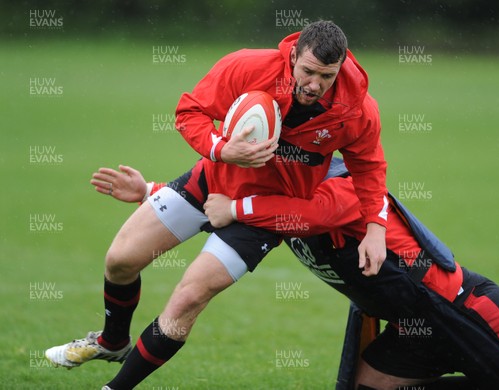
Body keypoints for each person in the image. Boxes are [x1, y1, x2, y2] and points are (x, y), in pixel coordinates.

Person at [45, 21, 390, 390]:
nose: (314, 84)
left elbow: (368, 167)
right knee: (120, 259)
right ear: (292, 56)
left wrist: (375, 228)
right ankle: (112, 342)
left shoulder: (357, 109)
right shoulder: (248, 66)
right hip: (212, 180)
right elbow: (189, 112)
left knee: (188, 299)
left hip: (261, 214)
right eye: (307, 71)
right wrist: (221, 150)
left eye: (327, 76)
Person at [88, 159, 499, 390]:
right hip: (410, 327)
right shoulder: (278, 202)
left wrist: (238, 204)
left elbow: (299, 215)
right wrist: (158, 189)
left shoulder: (338, 189)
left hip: (464, 308)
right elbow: (234, 206)